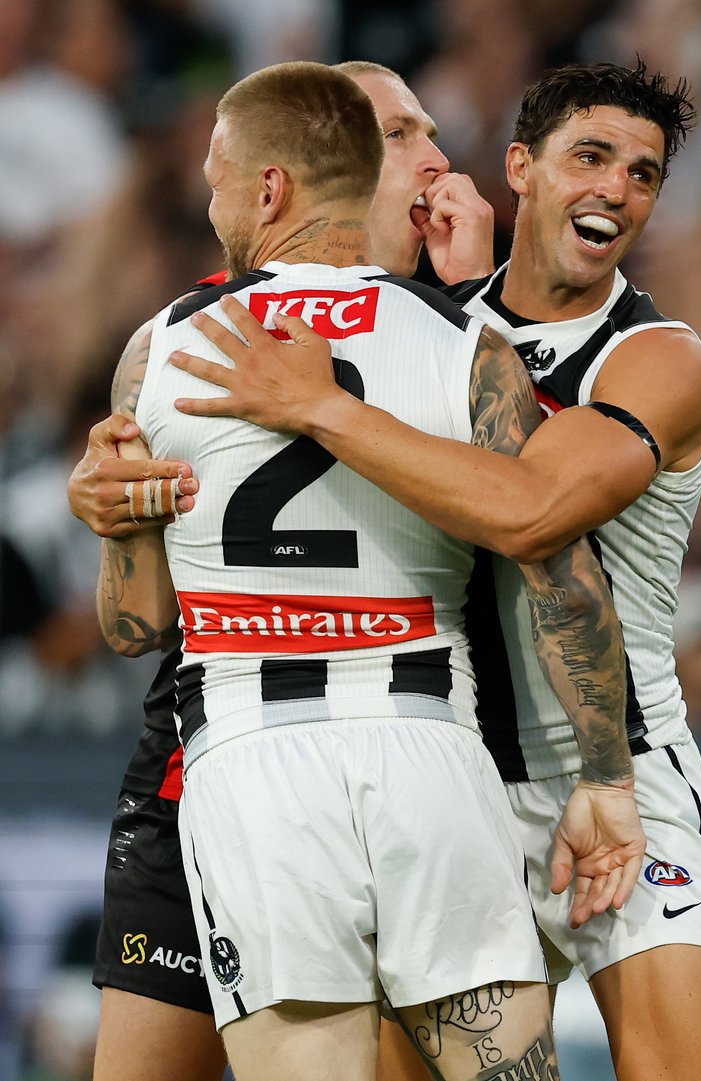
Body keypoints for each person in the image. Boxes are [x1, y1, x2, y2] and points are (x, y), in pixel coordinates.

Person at [173, 60, 701, 1081]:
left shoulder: (659, 357)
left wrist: (326, 405)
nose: (616, 189)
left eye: (644, 173)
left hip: (621, 775)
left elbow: (531, 512)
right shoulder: (433, 325)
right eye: (591, 156)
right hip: (449, 777)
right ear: (519, 168)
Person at [70, 61, 498, 1081]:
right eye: (398, 134)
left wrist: (482, 300)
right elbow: (134, 621)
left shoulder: (463, 335)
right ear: (319, 169)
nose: (438, 160)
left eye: (433, 131)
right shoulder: (189, 341)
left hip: (402, 756)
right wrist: (115, 519)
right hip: (208, 760)